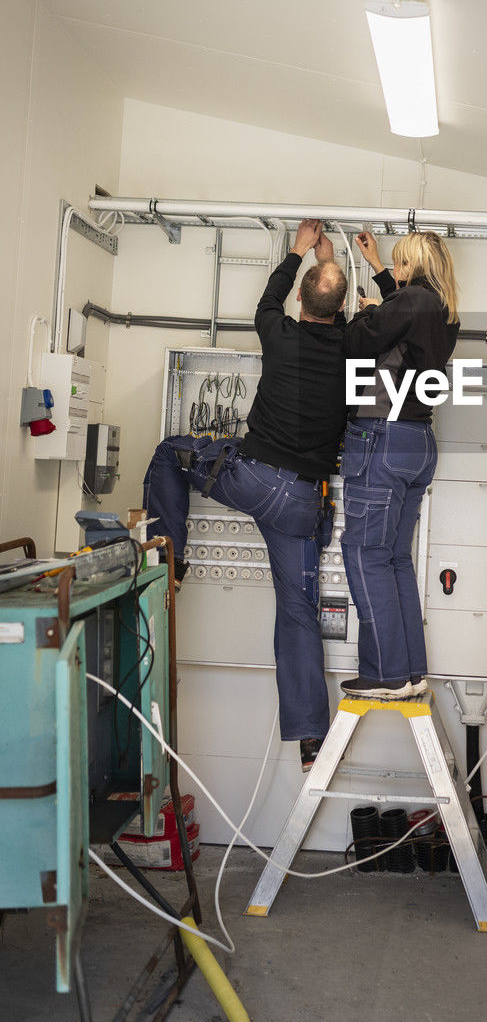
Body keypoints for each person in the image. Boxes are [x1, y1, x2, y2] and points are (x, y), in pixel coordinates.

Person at [143, 219, 348, 771]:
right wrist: (330, 268)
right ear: (340, 308)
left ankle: (172, 562)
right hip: (303, 504)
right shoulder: (353, 352)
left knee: (170, 453)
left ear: (301, 301)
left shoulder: (277, 333)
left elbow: (269, 300)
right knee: (299, 612)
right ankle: (310, 740)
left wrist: (299, 252)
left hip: (251, 479)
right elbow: (334, 319)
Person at [339, 229, 460, 699]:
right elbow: (401, 319)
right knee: (393, 559)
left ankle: (386, 675)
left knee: (366, 555)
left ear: (414, 266)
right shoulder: (443, 311)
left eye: (400, 263)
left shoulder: (408, 303)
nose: (398, 271)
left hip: (383, 437)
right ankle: (411, 671)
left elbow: (355, 343)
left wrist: (362, 313)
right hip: (418, 441)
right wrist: (378, 273)